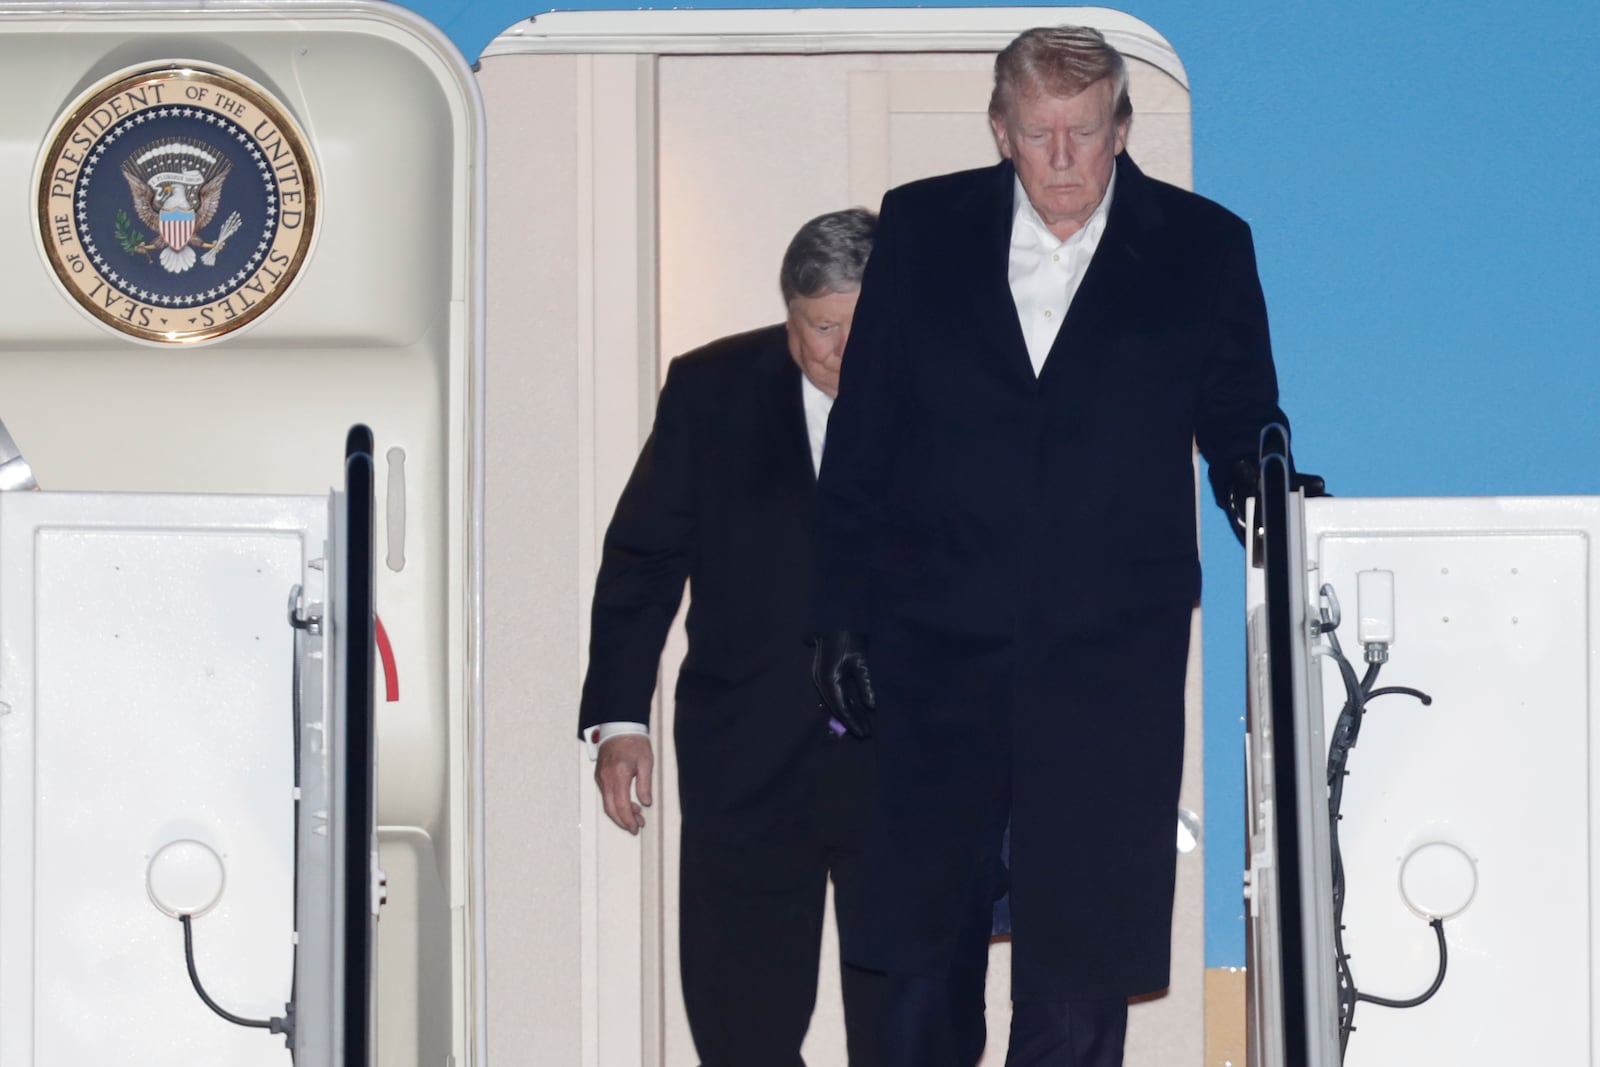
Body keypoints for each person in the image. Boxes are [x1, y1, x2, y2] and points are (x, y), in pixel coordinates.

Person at [810, 26, 1317, 1067]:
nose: (1062, 158)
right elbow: (863, 437)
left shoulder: (1201, 246)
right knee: (916, 967)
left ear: (1120, 128)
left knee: (1079, 969)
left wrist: (1268, 502)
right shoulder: (922, 227)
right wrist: (836, 618)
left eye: (1084, 132)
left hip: (1104, 662)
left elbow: (1239, 421)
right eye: (1038, 133)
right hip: (931, 652)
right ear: (1000, 130)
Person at [579, 208, 882, 1067]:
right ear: (789, 312)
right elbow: (642, 559)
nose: (844, 351)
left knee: (914, 1036)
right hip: (747, 763)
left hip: (907, 770)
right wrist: (619, 720)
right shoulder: (710, 389)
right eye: (824, 328)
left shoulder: (949, 388)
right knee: (741, 1035)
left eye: (865, 327)